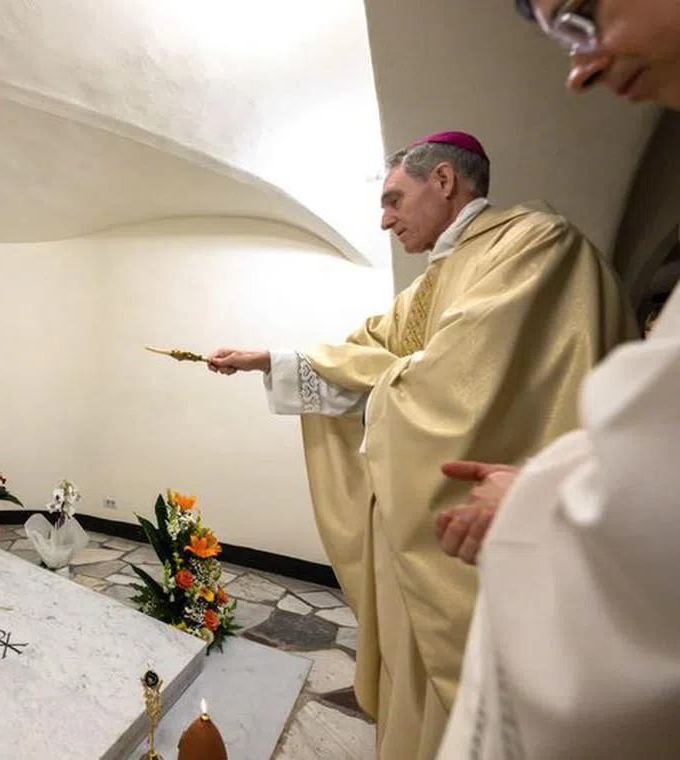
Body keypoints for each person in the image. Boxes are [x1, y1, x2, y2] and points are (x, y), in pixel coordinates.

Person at [207, 133, 636, 758]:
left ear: (443, 180)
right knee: (410, 681)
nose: (385, 221)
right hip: (413, 522)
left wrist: (381, 388)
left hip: (475, 524)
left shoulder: (535, 243)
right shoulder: (432, 281)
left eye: (393, 200)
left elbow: (448, 382)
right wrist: (269, 359)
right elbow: (370, 350)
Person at [436, 1, 680, 756]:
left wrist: (538, 498)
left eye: (581, 13)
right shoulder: (444, 267)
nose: (578, 70)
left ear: (442, 180)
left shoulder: (529, 238)